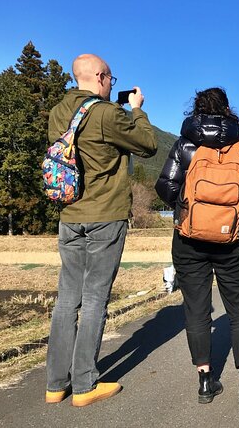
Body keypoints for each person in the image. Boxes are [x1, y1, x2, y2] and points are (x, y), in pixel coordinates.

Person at [45, 54, 157, 407]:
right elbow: (148, 144)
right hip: (104, 215)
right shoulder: (107, 114)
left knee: (67, 299)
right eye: (110, 77)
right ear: (100, 76)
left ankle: (55, 384)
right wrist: (136, 108)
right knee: (94, 298)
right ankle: (84, 385)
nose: (112, 83)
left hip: (69, 214)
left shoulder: (58, 112)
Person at [155, 87, 239, 406]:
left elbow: (164, 184)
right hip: (232, 240)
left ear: (196, 108)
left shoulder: (184, 145)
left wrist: (188, 211)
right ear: (227, 110)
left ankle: (206, 382)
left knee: (196, 308)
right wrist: (237, 215)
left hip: (188, 239)